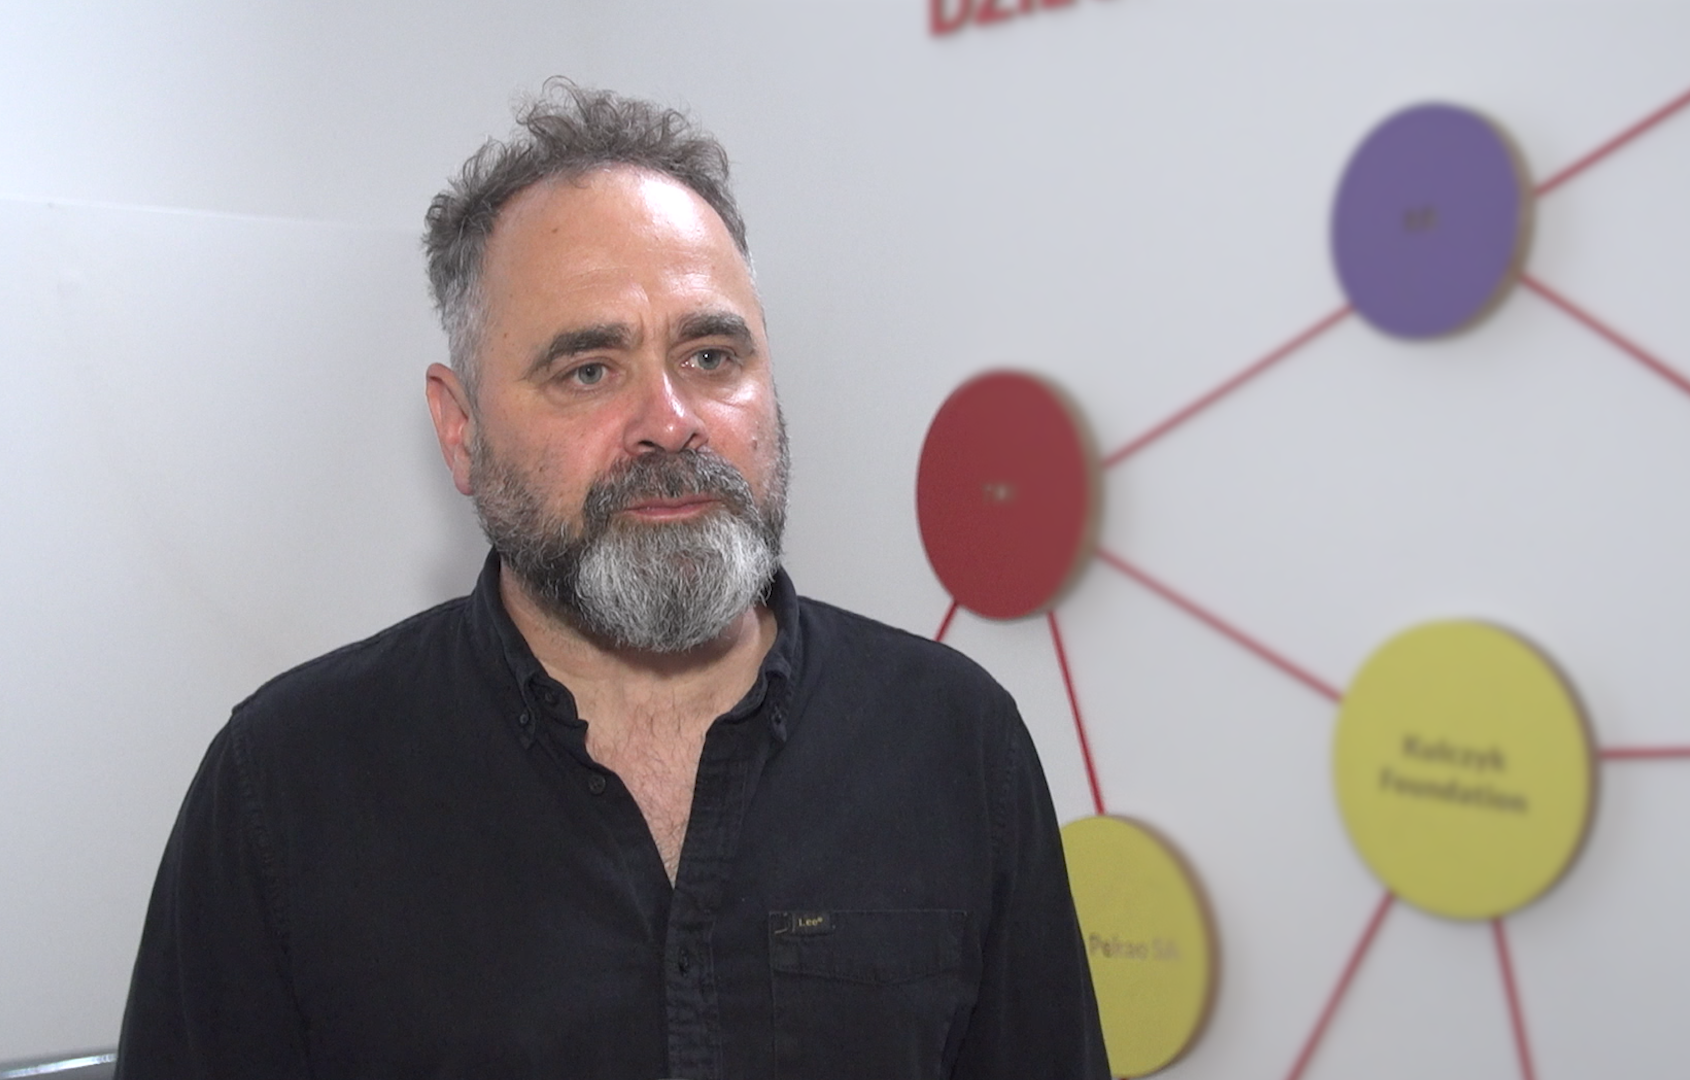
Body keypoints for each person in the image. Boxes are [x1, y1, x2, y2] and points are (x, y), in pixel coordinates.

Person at [115, 84, 1108, 1080]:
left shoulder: (954, 742)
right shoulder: (285, 789)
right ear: (460, 429)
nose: (670, 422)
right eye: (589, 370)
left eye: (711, 355)